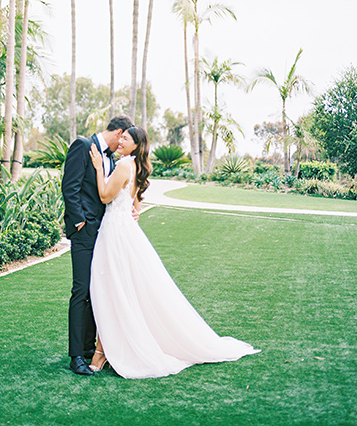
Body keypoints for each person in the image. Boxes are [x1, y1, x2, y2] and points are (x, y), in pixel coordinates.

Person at [88, 125, 261, 379]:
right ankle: (105, 349)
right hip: (122, 230)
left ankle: (102, 352)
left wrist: (98, 168)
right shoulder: (135, 165)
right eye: (121, 137)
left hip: (115, 232)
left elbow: (104, 196)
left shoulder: (124, 165)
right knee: (117, 289)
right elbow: (134, 203)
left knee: (112, 288)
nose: (121, 140)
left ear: (136, 144)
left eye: (126, 138)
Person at [61, 114, 133, 376]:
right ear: (119, 133)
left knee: (96, 292)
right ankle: (76, 356)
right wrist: (80, 222)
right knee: (81, 291)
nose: (122, 143)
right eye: (123, 138)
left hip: (105, 234)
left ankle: (91, 349)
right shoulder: (82, 146)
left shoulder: (112, 159)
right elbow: (70, 187)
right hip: (85, 232)